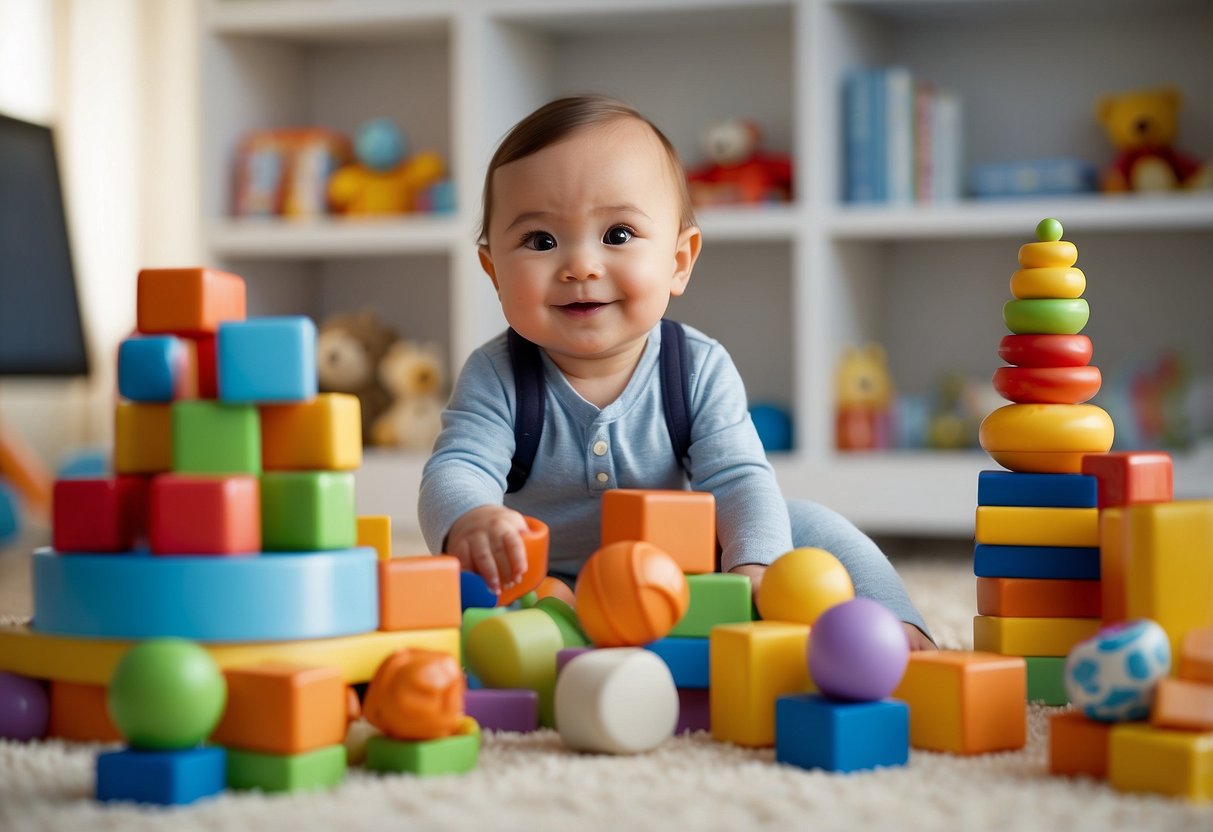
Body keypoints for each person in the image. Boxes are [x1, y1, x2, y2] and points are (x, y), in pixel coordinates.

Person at [418, 95, 934, 649]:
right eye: (541, 241)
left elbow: (737, 479)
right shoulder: (497, 374)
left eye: (617, 235)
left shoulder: (695, 368)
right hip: (549, 583)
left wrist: (753, 569)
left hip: (680, 577)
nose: (580, 267)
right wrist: (473, 519)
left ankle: (901, 628)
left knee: (803, 522)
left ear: (679, 261)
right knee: (463, 602)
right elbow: (455, 468)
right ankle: (562, 633)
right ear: (493, 270)